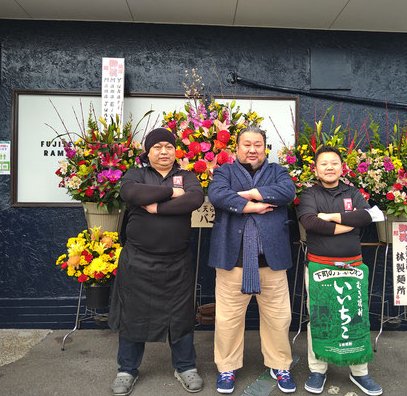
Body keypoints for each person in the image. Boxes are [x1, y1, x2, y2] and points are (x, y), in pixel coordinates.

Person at [108, 127, 205, 395]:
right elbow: (132, 194)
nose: (164, 152)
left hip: (177, 262)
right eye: (157, 147)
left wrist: (157, 207)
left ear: (176, 151)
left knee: (181, 316)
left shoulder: (187, 176)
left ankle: (186, 367)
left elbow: (195, 199)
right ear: (148, 152)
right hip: (138, 260)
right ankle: (126, 370)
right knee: (133, 316)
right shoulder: (136, 174)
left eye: (169, 147)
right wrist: (172, 193)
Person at [207, 126, 297, 394]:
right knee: (227, 320)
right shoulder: (224, 171)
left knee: (278, 318)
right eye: (246, 144)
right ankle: (226, 368)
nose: (252, 149)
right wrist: (254, 207)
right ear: (236, 148)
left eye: (258, 144)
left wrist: (249, 194)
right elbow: (218, 195)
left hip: (271, 262)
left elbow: (287, 192)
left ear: (265, 147)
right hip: (232, 261)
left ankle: (280, 365)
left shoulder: (278, 170)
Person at [297, 146, 382, 396]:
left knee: (355, 316)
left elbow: (366, 218)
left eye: (334, 162)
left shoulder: (352, 192)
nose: (329, 167)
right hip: (319, 266)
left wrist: (331, 216)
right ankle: (318, 370)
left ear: (342, 167)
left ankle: (360, 373)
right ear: (316, 169)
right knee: (320, 318)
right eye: (324, 163)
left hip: (352, 267)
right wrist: (346, 224)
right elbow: (310, 222)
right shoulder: (309, 194)